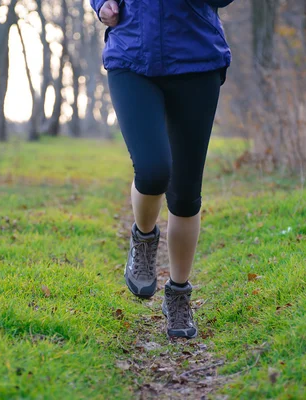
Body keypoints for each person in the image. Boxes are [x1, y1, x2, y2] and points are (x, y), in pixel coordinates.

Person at [91, 0, 235, 338]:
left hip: (196, 59)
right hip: (131, 57)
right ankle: (143, 239)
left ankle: (178, 296)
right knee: (154, 169)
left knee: (185, 196)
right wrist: (102, 3)